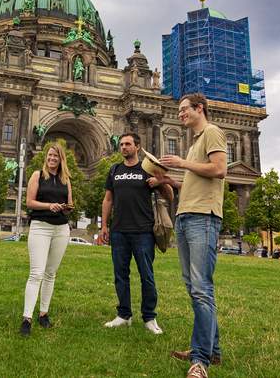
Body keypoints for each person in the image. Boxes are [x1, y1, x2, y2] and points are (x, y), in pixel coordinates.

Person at [159, 92, 227, 378]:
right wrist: (167, 181)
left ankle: (200, 361)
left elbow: (220, 169)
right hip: (187, 216)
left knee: (201, 288)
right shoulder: (195, 143)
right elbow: (196, 180)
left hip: (203, 217)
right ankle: (211, 348)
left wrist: (182, 163)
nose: (180, 114)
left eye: (185, 109)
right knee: (194, 287)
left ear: (200, 108)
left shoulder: (212, 132)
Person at [100, 133, 172, 336]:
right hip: (119, 231)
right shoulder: (114, 170)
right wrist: (104, 226)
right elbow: (107, 200)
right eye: (121, 144)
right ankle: (124, 315)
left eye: (128, 144)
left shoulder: (147, 169)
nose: (123, 147)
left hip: (143, 232)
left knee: (147, 276)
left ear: (137, 147)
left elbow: (169, 195)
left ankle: (149, 317)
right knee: (120, 275)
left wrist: (159, 182)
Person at [20, 143, 73, 336]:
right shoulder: (37, 175)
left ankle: (44, 314)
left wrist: (67, 208)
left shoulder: (66, 179)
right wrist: (49, 205)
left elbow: (70, 203)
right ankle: (27, 318)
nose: (52, 159)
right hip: (40, 226)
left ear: (61, 159)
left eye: (56, 156)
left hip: (61, 228)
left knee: (51, 273)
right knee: (36, 273)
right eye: (50, 155)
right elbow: (29, 202)